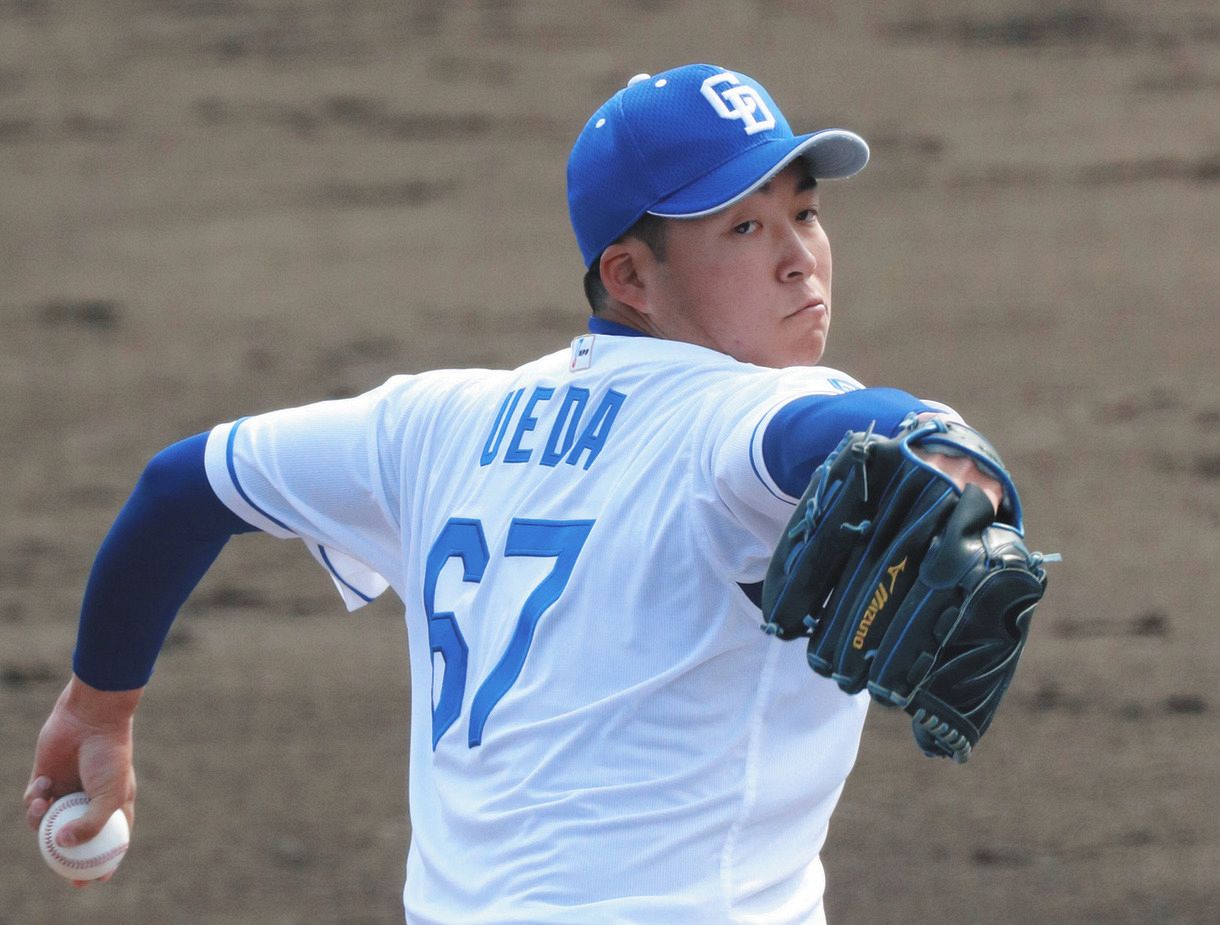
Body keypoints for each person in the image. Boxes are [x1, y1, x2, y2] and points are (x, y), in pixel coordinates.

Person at [25, 64, 1004, 923]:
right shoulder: (736, 421)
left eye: (805, 212)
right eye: (743, 226)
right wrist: (947, 453)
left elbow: (180, 488)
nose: (798, 256)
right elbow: (840, 427)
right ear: (629, 275)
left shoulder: (433, 423)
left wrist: (97, 708)